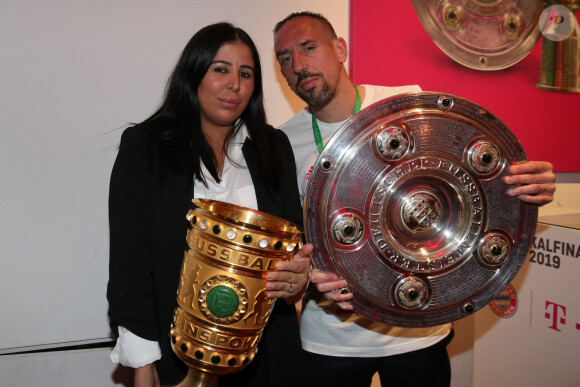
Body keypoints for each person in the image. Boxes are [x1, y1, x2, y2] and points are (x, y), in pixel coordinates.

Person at [273, 11, 556, 387]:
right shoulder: (282, 143)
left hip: (418, 334)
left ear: (339, 49)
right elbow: (288, 243)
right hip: (331, 342)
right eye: (285, 59)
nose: (298, 65)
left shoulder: (405, 104)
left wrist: (526, 188)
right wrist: (307, 275)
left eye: (308, 48)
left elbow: (473, 190)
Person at [107, 22, 311, 387]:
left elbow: (294, 249)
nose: (234, 84)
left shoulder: (274, 147)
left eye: (245, 74)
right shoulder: (146, 148)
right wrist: (141, 360)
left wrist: (298, 280)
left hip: (269, 359)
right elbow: (130, 265)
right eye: (220, 69)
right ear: (194, 73)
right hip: (174, 359)